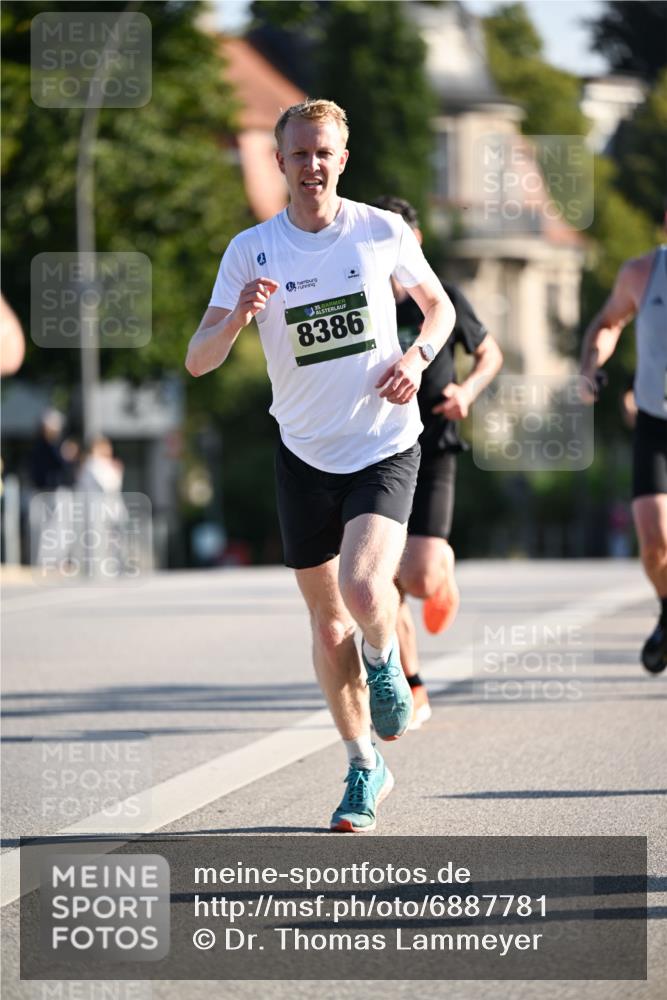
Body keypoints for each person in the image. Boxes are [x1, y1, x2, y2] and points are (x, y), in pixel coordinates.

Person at [185, 100, 455, 832]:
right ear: (279, 162)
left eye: (323, 153)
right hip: (302, 454)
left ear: (342, 158)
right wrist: (237, 315)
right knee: (326, 623)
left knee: (364, 586)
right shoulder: (251, 250)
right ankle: (364, 766)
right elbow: (198, 360)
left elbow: (438, 308)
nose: (311, 166)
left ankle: (386, 659)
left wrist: (417, 355)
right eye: (298, 154)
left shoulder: (379, 230)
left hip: (381, 442)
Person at [373, 196, 503, 728]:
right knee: (381, 576)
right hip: (379, 449)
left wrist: (467, 393)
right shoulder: (365, 303)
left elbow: (490, 354)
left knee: (420, 577)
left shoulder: (443, 298)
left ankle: (441, 574)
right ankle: (413, 681)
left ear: (416, 241)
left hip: (437, 442)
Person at [580, 234, 667, 673]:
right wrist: (591, 366)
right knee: (654, 544)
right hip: (656, 422)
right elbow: (608, 323)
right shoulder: (641, 273)